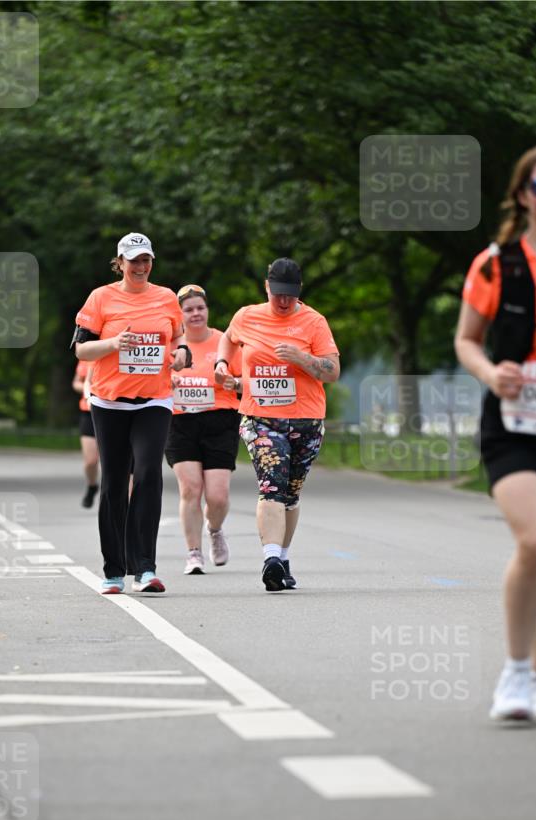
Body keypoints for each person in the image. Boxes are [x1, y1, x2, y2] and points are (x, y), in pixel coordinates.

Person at [454, 142, 536, 723]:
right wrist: (494, 372)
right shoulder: (498, 262)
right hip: (515, 422)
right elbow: (467, 339)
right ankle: (515, 672)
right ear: (522, 194)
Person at [72, 232, 189, 595]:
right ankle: (113, 570)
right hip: (109, 402)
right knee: (114, 483)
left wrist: (182, 354)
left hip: (155, 400)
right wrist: (112, 344)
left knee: (150, 473)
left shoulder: (167, 297)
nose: (140, 267)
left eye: (146, 260)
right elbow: (80, 350)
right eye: (133, 260)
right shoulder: (101, 298)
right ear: (119, 262)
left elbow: (178, 338)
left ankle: (145, 568)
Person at [215, 258, 340, 591]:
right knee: (271, 485)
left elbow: (332, 371)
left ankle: (283, 556)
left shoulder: (314, 322)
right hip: (260, 417)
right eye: (278, 294)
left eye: (290, 295)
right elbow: (227, 338)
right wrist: (222, 364)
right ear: (266, 287)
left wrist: (302, 358)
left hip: (306, 418)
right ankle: (270, 560)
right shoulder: (247, 316)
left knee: (290, 493)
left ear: (299, 292)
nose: (283, 302)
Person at [165, 284, 242, 574]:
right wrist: (168, 382)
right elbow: (153, 380)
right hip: (179, 420)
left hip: (220, 420)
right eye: (188, 309)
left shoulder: (225, 342)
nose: (195, 313)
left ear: (207, 310)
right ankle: (193, 553)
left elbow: (242, 380)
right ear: (180, 314)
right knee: (190, 488)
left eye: (200, 307)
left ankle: (215, 529)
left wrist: (231, 382)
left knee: (217, 496)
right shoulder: (173, 345)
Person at [72, 359, 100, 508]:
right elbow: (76, 382)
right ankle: (92, 485)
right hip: (88, 412)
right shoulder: (86, 358)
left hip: (111, 410)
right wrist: (87, 387)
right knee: (91, 461)